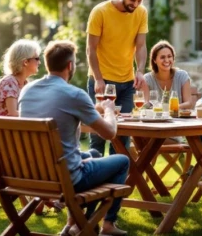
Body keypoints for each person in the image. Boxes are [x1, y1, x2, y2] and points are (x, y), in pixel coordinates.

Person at [19, 40, 129, 236]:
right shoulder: (74, 94)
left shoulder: (27, 91)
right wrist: (109, 111)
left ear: (47, 64)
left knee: (94, 152)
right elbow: (109, 133)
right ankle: (105, 223)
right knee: (122, 160)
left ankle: (76, 223)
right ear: (70, 66)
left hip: (33, 175)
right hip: (66, 178)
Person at [86, 0, 149, 156]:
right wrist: (98, 79)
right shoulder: (100, 12)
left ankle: (117, 182)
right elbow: (91, 49)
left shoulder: (141, 12)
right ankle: (93, 180)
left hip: (127, 83)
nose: (135, 4)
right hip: (102, 81)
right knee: (98, 134)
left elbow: (141, 45)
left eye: (139, 0)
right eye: (132, 0)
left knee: (122, 136)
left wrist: (140, 71)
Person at [0, 39, 41, 158]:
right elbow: (13, 114)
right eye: (36, 58)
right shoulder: (10, 82)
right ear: (25, 62)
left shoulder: (25, 84)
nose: (39, 62)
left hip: (7, 139)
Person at [142, 40, 193, 110]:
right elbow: (145, 105)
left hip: (179, 119)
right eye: (162, 57)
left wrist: (169, 108)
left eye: (169, 56)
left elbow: (188, 103)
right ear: (154, 60)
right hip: (156, 119)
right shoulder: (147, 79)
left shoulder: (182, 76)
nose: (166, 60)